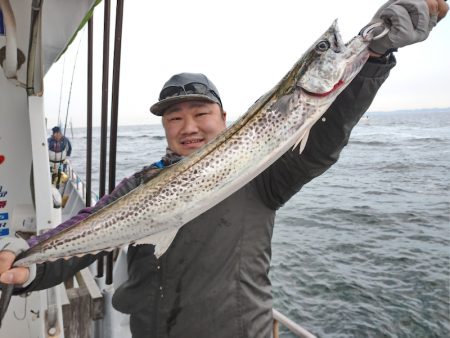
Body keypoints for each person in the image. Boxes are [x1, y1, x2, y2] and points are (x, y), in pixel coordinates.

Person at [0, 1, 448, 337]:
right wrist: (28, 266)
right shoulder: (139, 183)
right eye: (174, 118)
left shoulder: (263, 173)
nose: (188, 127)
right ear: (164, 127)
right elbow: (85, 236)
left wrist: (375, 57)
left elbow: (324, 138)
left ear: (224, 117)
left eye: (201, 114)